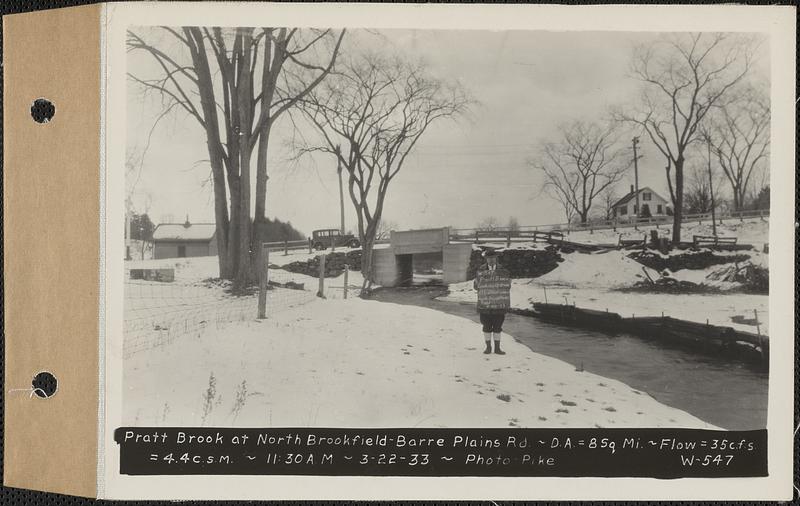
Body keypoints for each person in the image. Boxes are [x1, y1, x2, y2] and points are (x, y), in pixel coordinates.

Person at [473, 248, 512, 355]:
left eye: (493, 258)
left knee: (498, 327)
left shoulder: (503, 270)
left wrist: (507, 282)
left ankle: (497, 348)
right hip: (485, 304)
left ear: (496, 258)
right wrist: (478, 282)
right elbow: (476, 287)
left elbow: (507, 286)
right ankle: (488, 347)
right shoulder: (480, 270)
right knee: (486, 327)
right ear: (486, 259)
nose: (491, 260)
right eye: (489, 258)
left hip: (499, 304)